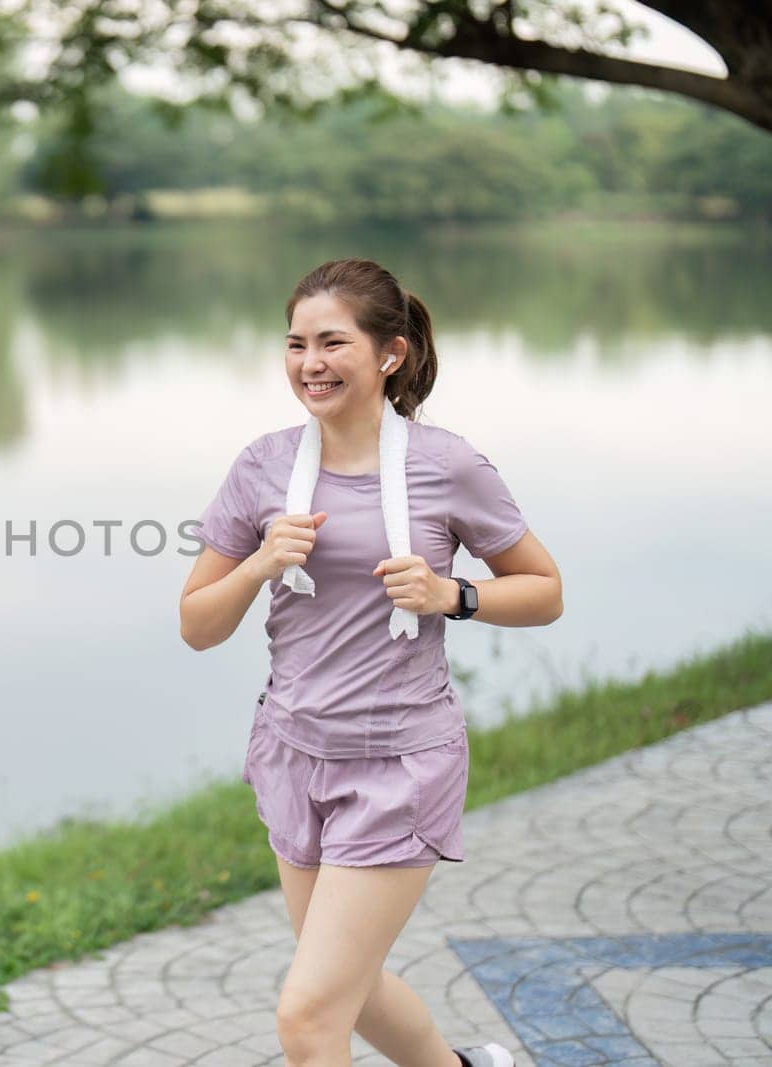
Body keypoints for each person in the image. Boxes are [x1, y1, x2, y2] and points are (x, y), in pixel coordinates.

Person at [179, 258, 563, 1067]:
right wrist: (255, 564)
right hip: (293, 755)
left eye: (331, 342)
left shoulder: (447, 463)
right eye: (295, 343)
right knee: (351, 987)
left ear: (389, 354)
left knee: (309, 1015)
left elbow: (544, 588)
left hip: (399, 765)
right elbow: (197, 624)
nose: (309, 363)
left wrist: (451, 594)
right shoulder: (262, 467)